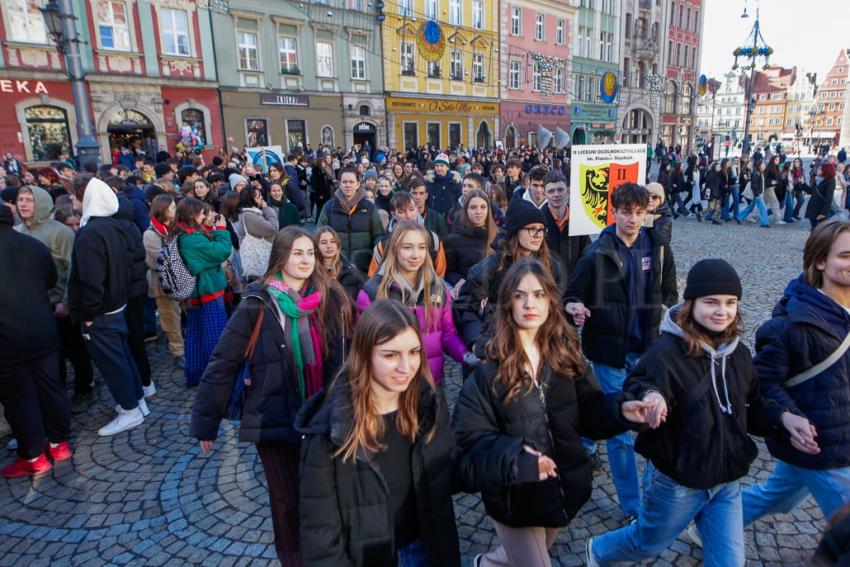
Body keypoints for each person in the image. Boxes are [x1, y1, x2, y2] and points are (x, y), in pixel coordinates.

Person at [587, 259, 812, 567]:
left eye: (730, 302)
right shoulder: (665, 351)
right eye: (711, 302)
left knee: (730, 562)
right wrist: (652, 398)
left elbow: (754, 405)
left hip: (726, 479)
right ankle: (598, 551)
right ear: (690, 304)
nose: (722, 311)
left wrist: (784, 418)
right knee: (646, 543)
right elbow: (642, 384)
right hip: (678, 482)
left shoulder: (740, 354)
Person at [453, 257, 652, 567]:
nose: (529, 303)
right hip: (514, 497)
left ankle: (486, 564)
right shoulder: (488, 372)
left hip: (561, 489)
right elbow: (468, 445)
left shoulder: (564, 357)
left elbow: (589, 413)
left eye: (538, 294)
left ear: (550, 300)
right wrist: (517, 460)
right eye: (519, 295)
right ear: (507, 304)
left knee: (519, 556)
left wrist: (620, 410)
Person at [192, 226, 352, 565]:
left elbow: (349, 353)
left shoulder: (332, 297)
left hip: (322, 415)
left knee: (328, 495)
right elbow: (224, 361)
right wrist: (206, 422)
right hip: (275, 418)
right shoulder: (257, 303)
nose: (306, 259)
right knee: (287, 503)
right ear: (280, 257)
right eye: (297, 253)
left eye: (309, 252)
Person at [296, 299, 461, 567]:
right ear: (364, 354)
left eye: (414, 352)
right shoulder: (330, 428)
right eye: (390, 355)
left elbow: (449, 469)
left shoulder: (426, 405)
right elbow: (320, 534)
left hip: (425, 548)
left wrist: (509, 462)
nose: (406, 368)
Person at [565, 182, 678, 521]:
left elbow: (670, 293)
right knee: (620, 434)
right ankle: (633, 506)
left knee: (656, 423)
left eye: (639, 213)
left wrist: (665, 323)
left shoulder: (657, 248)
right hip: (610, 352)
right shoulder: (596, 253)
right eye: (626, 212)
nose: (632, 219)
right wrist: (575, 307)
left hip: (648, 351)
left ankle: (655, 493)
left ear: (647, 213)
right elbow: (571, 295)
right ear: (614, 212)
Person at [741, 220, 850, 529]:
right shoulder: (792, 324)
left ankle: (714, 523)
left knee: (779, 495)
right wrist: (787, 416)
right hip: (824, 446)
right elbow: (762, 384)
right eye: (845, 255)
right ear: (819, 261)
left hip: (838, 433)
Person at [68, 177, 147, 435]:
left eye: (74, 196)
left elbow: (91, 279)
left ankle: (129, 409)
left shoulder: (90, 232)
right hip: (116, 304)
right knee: (122, 355)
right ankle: (137, 400)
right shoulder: (112, 226)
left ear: (86, 197)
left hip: (101, 310)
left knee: (113, 362)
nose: (71, 201)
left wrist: (88, 314)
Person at [0, 205, 72, 477]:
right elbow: (50, 279)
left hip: (8, 338)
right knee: (50, 388)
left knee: (19, 400)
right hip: (43, 329)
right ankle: (59, 443)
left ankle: (33, 456)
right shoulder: (34, 245)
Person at [358, 221, 471, 384]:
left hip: (431, 385)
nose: (415, 255)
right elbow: (364, 346)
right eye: (408, 247)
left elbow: (447, 334)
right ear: (395, 249)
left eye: (421, 247)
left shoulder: (438, 289)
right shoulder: (372, 292)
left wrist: (467, 355)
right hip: (391, 388)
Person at [454, 199, 566, 359]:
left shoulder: (552, 266)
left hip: (538, 349)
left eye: (541, 229)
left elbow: (556, 307)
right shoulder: (489, 267)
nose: (538, 235)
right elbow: (466, 308)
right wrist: (478, 343)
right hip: (496, 350)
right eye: (531, 229)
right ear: (515, 232)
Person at [15, 185, 94, 402]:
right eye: (21, 199)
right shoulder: (17, 231)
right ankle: (55, 390)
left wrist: (66, 301)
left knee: (74, 347)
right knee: (50, 354)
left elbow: (72, 269)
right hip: (34, 305)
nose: (23, 204)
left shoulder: (60, 232)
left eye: (29, 200)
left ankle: (84, 386)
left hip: (59, 302)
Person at [172, 198, 232, 387]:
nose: (205, 215)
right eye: (202, 213)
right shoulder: (191, 238)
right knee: (215, 336)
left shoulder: (183, 234)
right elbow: (220, 252)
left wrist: (207, 227)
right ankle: (218, 380)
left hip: (195, 295)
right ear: (192, 215)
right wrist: (221, 230)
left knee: (196, 335)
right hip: (207, 293)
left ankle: (197, 375)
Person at [317, 165, 385, 273]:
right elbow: (319, 235)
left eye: (351, 182)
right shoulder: (329, 207)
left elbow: (378, 235)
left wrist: (376, 256)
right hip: (336, 267)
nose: (348, 185)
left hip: (363, 268)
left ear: (358, 184)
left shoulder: (369, 208)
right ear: (339, 184)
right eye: (344, 182)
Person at [143, 195, 185, 369]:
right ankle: (178, 352)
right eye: (172, 208)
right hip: (163, 281)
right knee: (170, 317)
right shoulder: (151, 233)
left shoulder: (174, 228)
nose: (175, 211)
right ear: (163, 210)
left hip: (181, 277)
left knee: (181, 313)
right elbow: (159, 259)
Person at [367, 192, 447, 278]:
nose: (408, 216)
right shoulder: (384, 245)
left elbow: (440, 274)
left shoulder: (433, 239)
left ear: (417, 209)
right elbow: (373, 277)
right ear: (393, 214)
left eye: (411, 210)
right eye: (402, 212)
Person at [444, 188, 500, 294]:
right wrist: (457, 281)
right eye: (473, 207)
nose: (478, 212)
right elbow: (448, 271)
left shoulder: (500, 236)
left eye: (483, 207)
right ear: (466, 210)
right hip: (467, 295)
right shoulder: (453, 240)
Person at [540, 170, 590, 278]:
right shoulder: (538, 222)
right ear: (545, 194)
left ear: (567, 190)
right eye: (551, 191)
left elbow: (586, 254)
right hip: (548, 285)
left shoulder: (579, 219)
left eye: (560, 190)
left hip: (575, 285)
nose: (556, 194)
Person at [237, 185, 279, 280]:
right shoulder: (249, 215)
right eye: (258, 196)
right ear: (251, 199)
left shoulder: (253, 213)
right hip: (257, 268)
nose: (261, 198)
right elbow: (273, 229)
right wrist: (267, 209)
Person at [409, 176, 449, 241]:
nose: (418, 197)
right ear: (409, 195)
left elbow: (445, 243)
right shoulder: (405, 217)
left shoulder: (437, 218)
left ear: (426, 196)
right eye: (414, 193)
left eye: (421, 193)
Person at [736, 159, 770, 228]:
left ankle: (739, 217)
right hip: (758, 194)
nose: (764, 165)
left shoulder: (761, 173)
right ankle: (764, 223)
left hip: (759, 193)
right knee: (763, 208)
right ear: (759, 166)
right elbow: (754, 186)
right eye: (763, 164)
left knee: (750, 207)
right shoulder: (756, 174)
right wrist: (757, 194)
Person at [806, 163, 837, 231]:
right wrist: (803, 184)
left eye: (820, 169)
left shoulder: (830, 181)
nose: (818, 170)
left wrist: (823, 212)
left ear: (825, 171)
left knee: (819, 231)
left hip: (820, 209)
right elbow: (810, 191)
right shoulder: (817, 179)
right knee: (813, 229)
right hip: (813, 208)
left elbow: (828, 198)